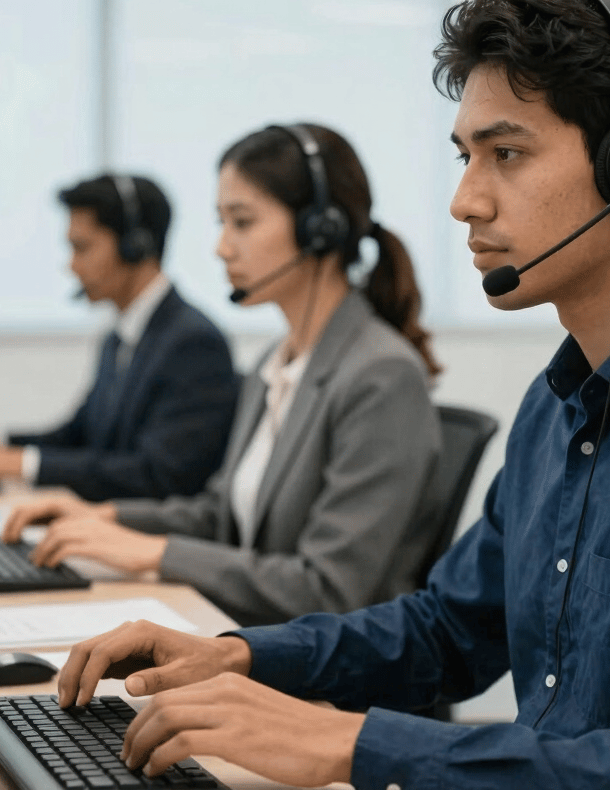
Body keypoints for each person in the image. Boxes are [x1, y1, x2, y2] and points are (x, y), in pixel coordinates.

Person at [52, 0, 610, 790]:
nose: (465, 201)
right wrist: (236, 657)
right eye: (466, 156)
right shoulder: (560, 404)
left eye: (505, 155)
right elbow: (447, 631)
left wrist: (347, 745)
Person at [4, 124, 442, 627]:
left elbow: (328, 587)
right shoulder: (272, 366)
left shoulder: (380, 376)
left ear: (321, 229)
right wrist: (108, 519)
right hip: (256, 634)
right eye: (221, 222)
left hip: (327, 677)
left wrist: (154, 553)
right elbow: (219, 514)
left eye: (242, 221)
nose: (221, 247)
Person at [0, 174, 238, 502]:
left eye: (81, 248)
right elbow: (79, 433)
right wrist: (8, 447)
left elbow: (158, 474)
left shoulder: (194, 343)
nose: (72, 265)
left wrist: (23, 464)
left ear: (134, 245)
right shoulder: (119, 337)